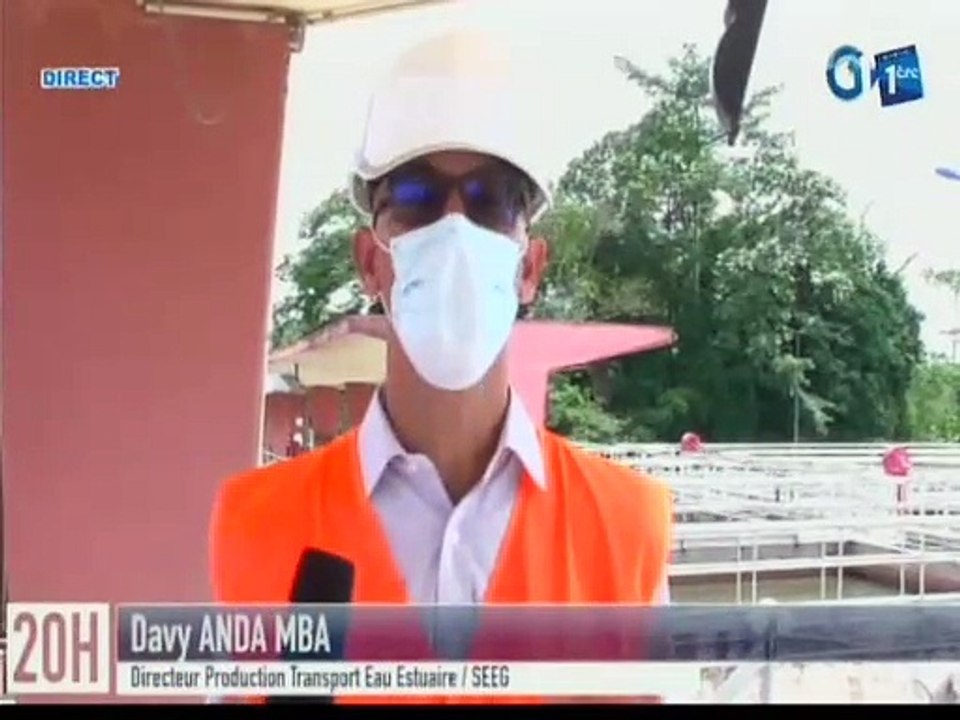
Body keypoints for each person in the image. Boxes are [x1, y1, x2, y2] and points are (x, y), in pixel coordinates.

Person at [209, 29, 673, 703]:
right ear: (371, 263)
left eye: (491, 199)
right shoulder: (258, 525)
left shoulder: (624, 528)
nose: (455, 229)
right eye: (417, 197)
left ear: (530, 268)